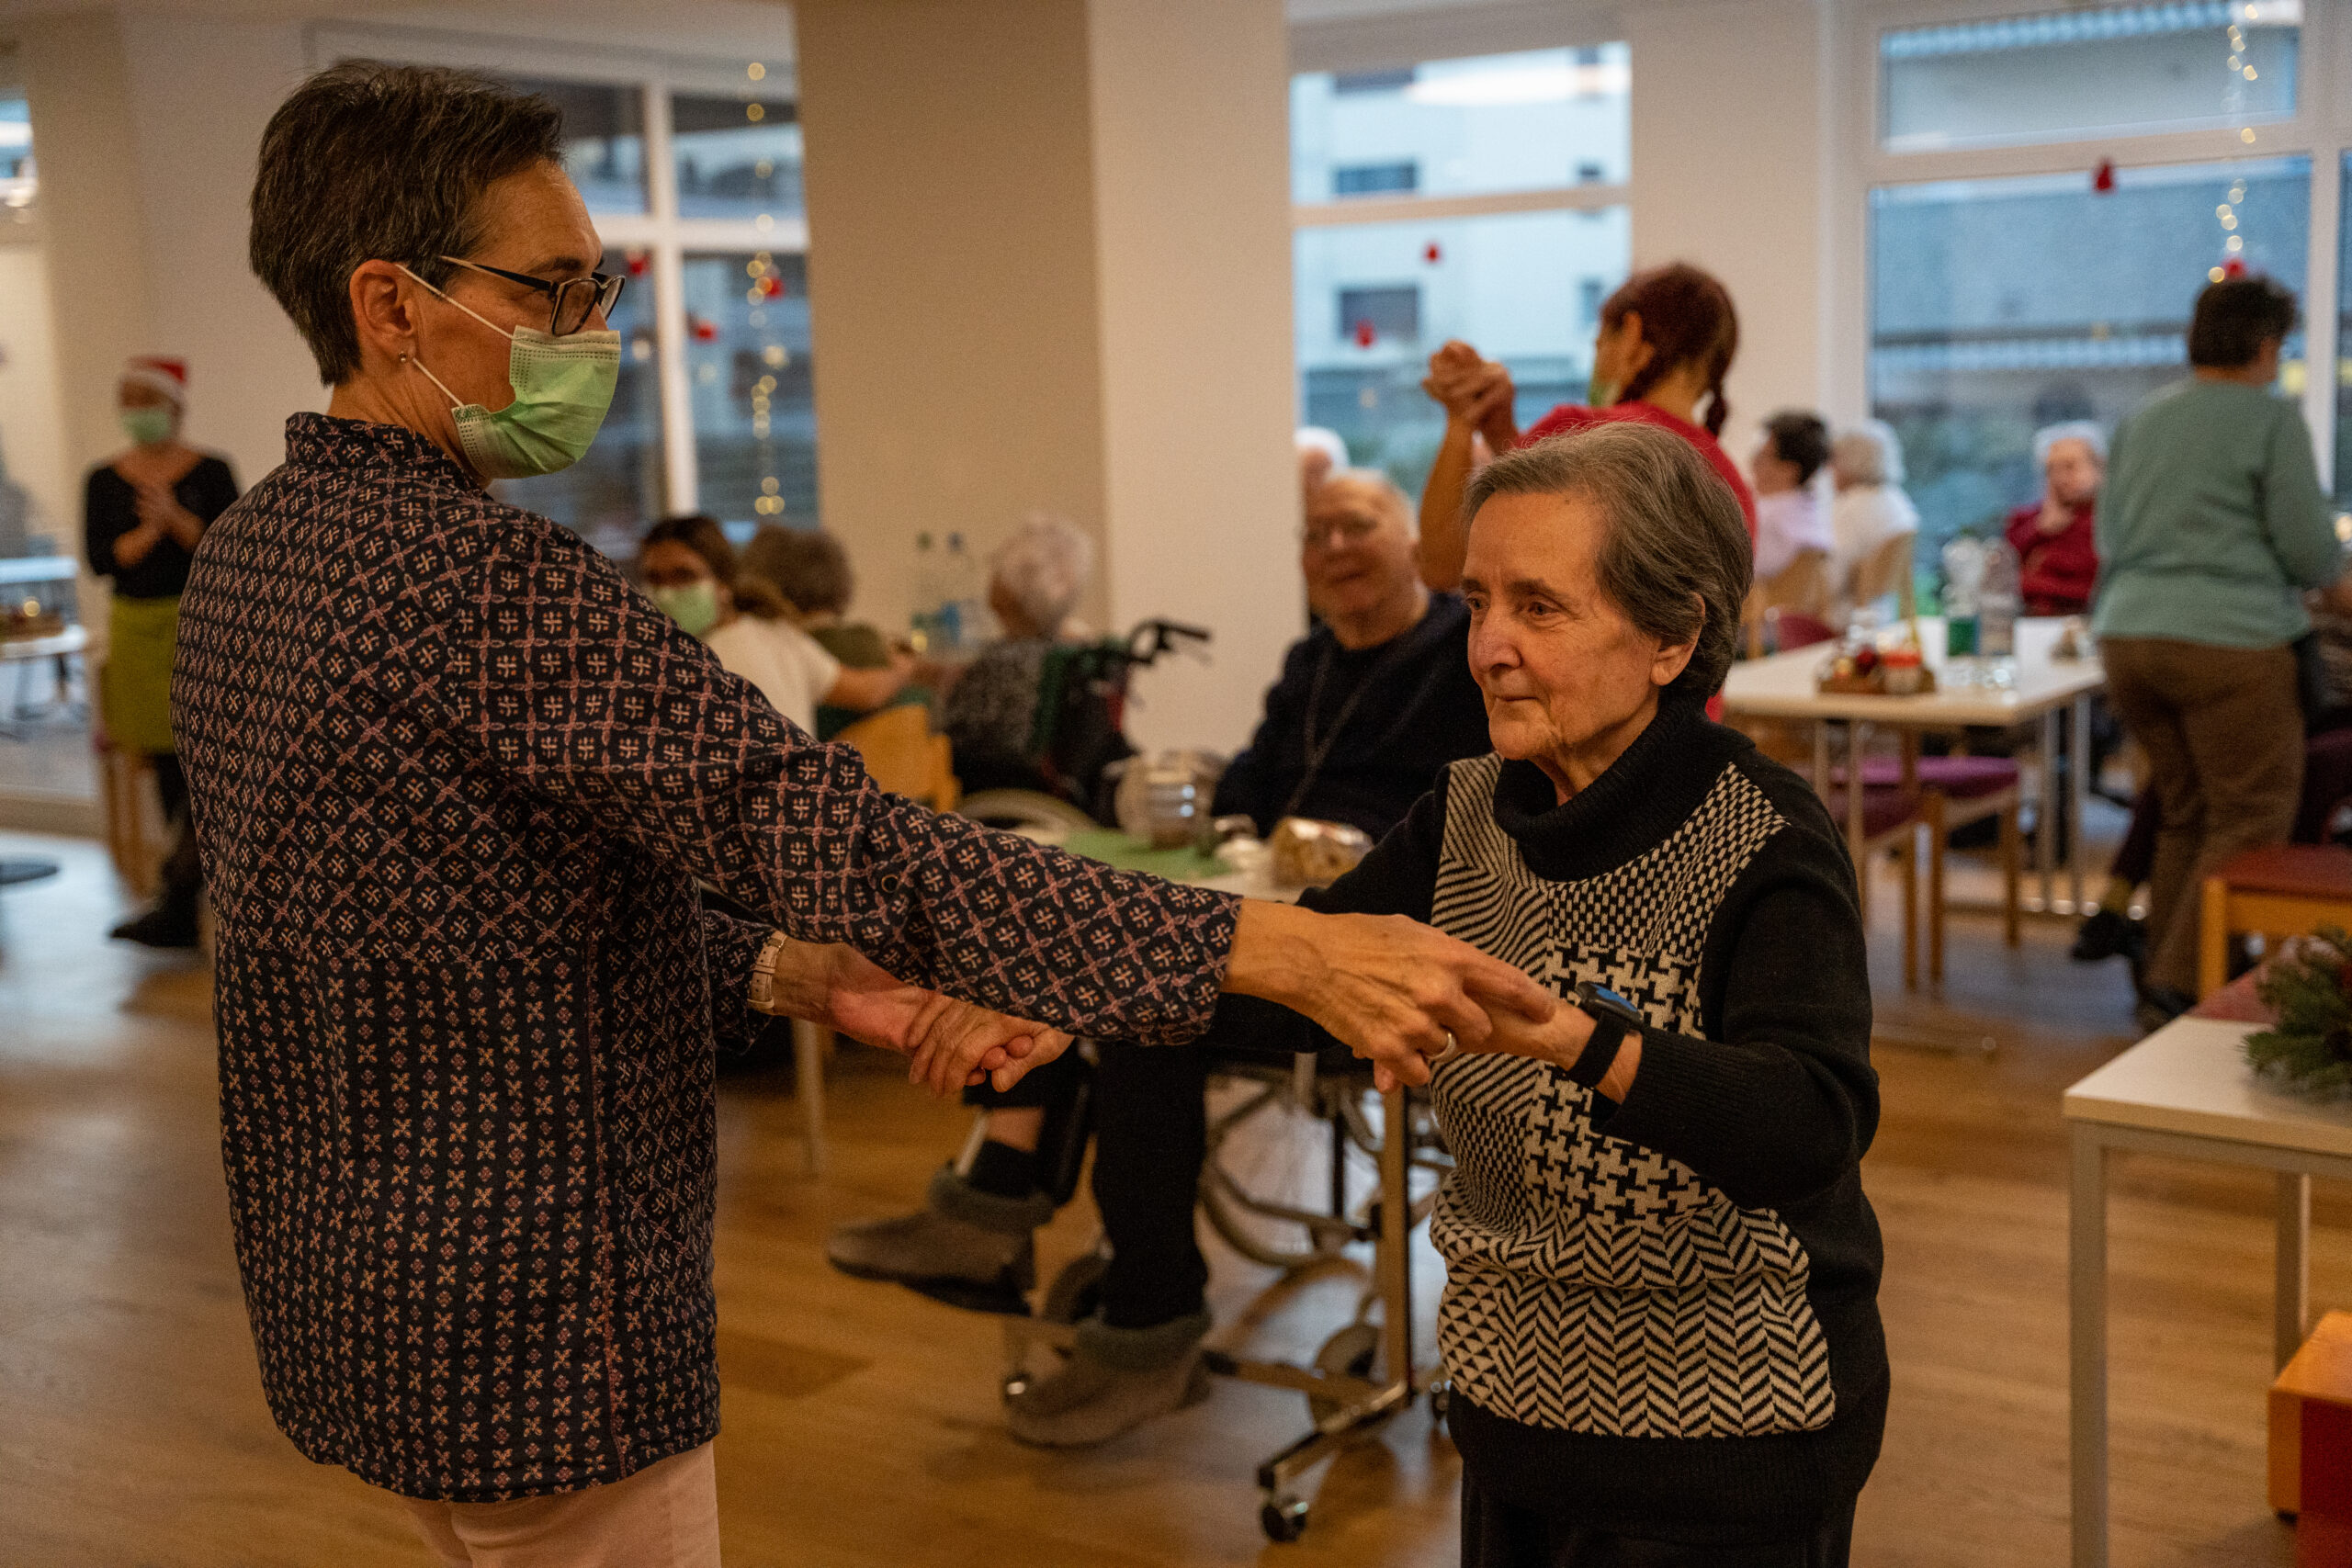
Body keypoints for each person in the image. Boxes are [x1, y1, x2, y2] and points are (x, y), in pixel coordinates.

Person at [176, 62, 1555, 1568]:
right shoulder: (480, 579)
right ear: (391, 305)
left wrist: (801, 972)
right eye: (551, 290)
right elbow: (844, 839)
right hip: (541, 1309)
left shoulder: (249, 560)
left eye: (600, 288)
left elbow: (456, 918)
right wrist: (1284, 949)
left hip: (355, 1290)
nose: (592, 333)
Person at [1220, 422, 1883, 1562]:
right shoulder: (1466, 814)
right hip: (1513, 1409)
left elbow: (1808, 1124)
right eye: (1479, 603)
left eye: (1539, 607)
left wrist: (1584, 1042)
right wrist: (1067, 998)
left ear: (1671, 637)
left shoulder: (1763, 835)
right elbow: (1297, 973)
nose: (1486, 648)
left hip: (1728, 1440)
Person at [825, 470, 1495, 1420]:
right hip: (1275, 911)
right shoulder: (1310, 660)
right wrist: (1205, 807)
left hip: (1368, 947)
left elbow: (1460, 820)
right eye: (1316, 534)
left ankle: (1152, 1313)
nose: (1335, 547)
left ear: (1413, 543)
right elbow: (1253, 781)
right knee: (1058, 936)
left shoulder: (1457, 659)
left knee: (1147, 1002)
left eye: (1358, 525)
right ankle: (996, 1195)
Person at [2095, 275, 2346, 1026]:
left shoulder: (2144, 418)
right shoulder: (2270, 419)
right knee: (2251, 812)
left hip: (2129, 635)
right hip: (2230, 643)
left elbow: (2111, 536)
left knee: (2186, 811)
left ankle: (2161, 979)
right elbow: (2309, 552)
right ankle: (2180, 984)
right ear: (2266, 345)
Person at [1415, 262, 1752, 592]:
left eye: (1600, 343)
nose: (1597, 361)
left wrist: (1461, 417)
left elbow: (1441, 566)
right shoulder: (1733, 492)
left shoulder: (1579, 434)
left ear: (1632, 334)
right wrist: (1501, 433)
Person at [84, 355, 241, 947]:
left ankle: (186, 895)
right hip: (136, 632)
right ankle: (179, 900)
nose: (137, 412)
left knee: (210, 765)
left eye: (146, 400)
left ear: (174, 405)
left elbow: (231, 549)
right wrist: (148, 531)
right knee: (164, 761)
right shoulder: (103, 480)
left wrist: (176, 518)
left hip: (201, 628)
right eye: (127, 401)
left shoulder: (212, 471)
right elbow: (102, 560)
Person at [636, 513, 909, 736]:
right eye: (655, 579)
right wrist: (902, 668)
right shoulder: (777, 632)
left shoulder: (774, 637)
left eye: (684, 576)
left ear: (723, 582)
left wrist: (901, 670)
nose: (667, 592)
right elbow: (868, 692)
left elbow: (866, 691)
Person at [937, 513, 1094, 794]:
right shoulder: (1077, 652)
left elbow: (947, 735)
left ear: (1009, 592)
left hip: (997, 793)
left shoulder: (1001, 662)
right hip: (1059, 790)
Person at [2004, 421, 2104, 618]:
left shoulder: (2109, 524)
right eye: (2051, 469)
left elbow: (2096, 589)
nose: (2060, 478)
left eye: (2070, 467)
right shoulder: (2025, 522)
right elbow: (2002, 580)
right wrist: (2039, 530)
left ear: (2099, 467)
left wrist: (2032, 581)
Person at [1827, 420, 1919, 623]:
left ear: (1849, 462)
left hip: (1848, 619)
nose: (1829, 469)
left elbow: (1833, 578)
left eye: (1833, 460)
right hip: (1886, 613)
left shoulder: (1851, 507)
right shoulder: (1898, 501)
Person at [1751, 409, 1836, 582]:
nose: (1753, 463)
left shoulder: (1763, 518)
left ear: (1790, 470)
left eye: (1764, 456)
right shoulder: (1814, 514)